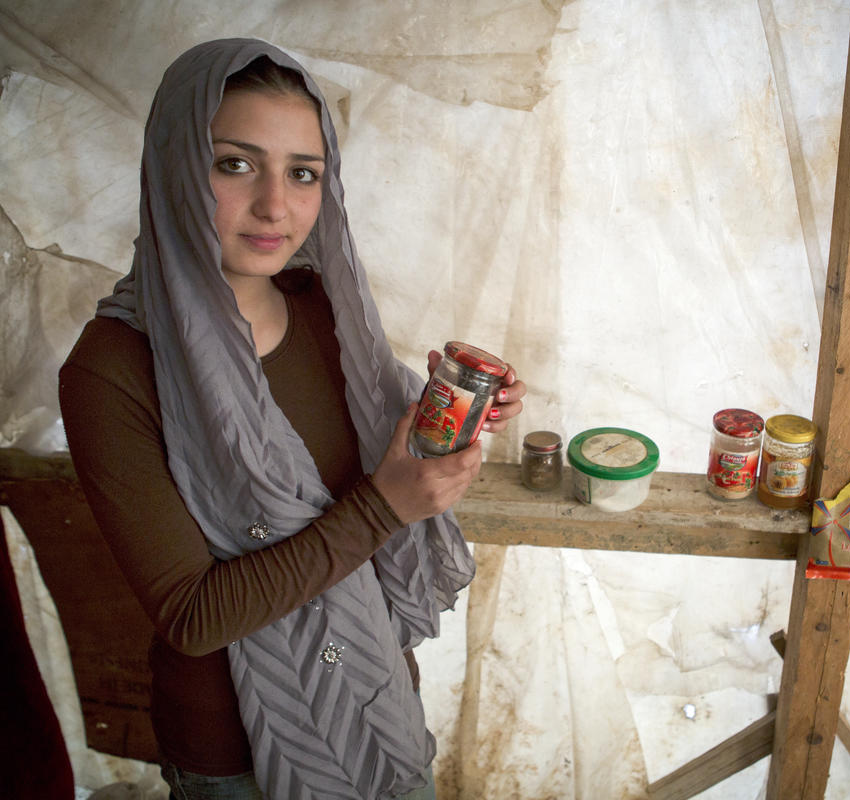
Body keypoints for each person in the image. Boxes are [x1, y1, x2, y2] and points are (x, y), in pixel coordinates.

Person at [59, 38, 525, 800]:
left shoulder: (324, 313)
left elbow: (389, 466)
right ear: (175, 165)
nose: (276, 204)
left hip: (373, 688)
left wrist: (458, 420)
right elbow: (194, 612)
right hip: (236, 745)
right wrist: (383, 507)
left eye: (303, 173)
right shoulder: (112, 369)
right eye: (234, 164)